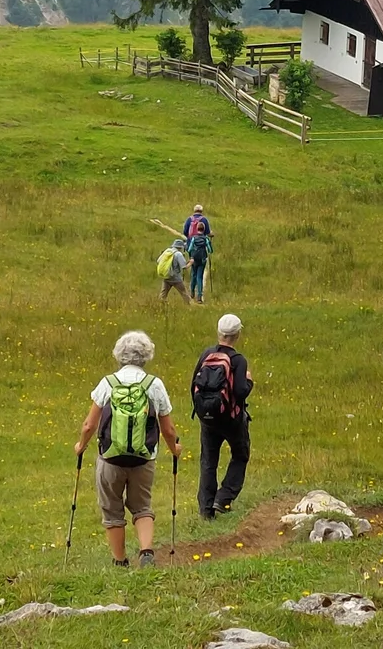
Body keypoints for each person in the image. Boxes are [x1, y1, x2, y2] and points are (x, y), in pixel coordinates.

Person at [74, 330, 181, 568]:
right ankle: (145, 552)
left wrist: (81, 445)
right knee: (142, 506)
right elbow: (168, 429)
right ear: (146, 356)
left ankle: (120, 561)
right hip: (143, 459)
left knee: (112, 510)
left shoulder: (108, 383)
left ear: (119, 355)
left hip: (110, 458)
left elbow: (90, 424)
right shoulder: (155, 385)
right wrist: (175, 449)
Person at [190, 313, 253, 520]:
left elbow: (193, 385)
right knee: (240, 455)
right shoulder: (238, 360)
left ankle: (206, 510)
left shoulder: (206, 354)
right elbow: (240, 391)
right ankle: (224, 498)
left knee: (208, 461)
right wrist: (249, 381)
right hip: (231, 420)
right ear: (237, 334)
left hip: (207, 419)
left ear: (219, 332)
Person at [157, 238, 192, 304]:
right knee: (184, 293)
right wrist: (190, 262)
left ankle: (160, 305)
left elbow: (158, 261)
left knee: (163, 294)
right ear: (180, 247)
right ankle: (188, 305)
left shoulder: (167, 251)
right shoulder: (178, 254)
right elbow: (184, 267)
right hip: (176, 278)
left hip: (167, 276)